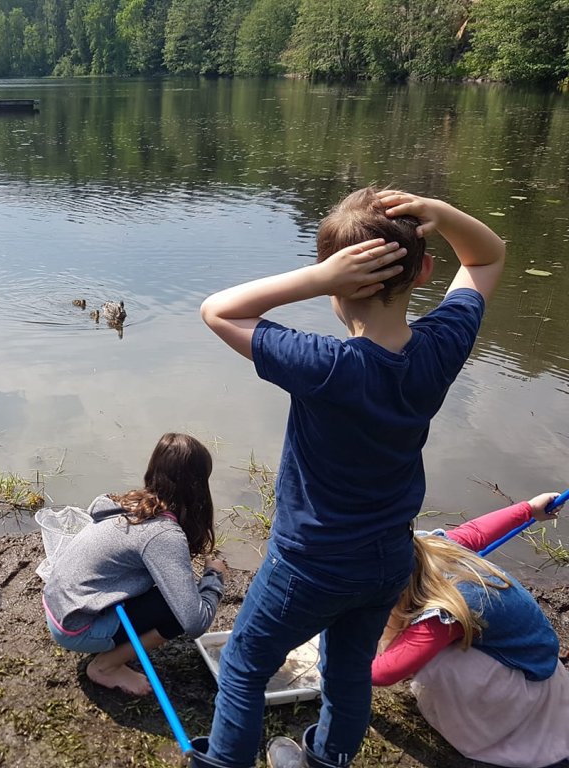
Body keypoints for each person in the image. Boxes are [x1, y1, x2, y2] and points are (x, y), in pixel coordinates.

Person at [197, 188, 506, 768]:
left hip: (308, 565)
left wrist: (316, 279)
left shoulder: (324, 366)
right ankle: (328, 757)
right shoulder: (439, 349)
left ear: (337, 283)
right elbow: (486, 258)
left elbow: (219, 310)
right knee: (346, 669)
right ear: (425, 272)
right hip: (388, 559)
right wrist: (441, 212)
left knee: (244, 665)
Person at [372, 494, 569, 768]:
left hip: (522, 688)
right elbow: (476, 531)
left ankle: (488, 733)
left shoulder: (446, 613)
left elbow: (384, 673)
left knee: (437, 665)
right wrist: (528, 510)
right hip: (533, 661)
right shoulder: (432, 549)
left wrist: (333, 659)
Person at [42, 433, 226, 695]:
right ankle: (106, 667)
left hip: (58, 607)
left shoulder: (128, 505)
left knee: (171, 594)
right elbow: (195, 622)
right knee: (177, 609)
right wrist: (213, 578)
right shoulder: (163, 534)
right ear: (197, 487)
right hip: (76, 628)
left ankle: (108, 646)